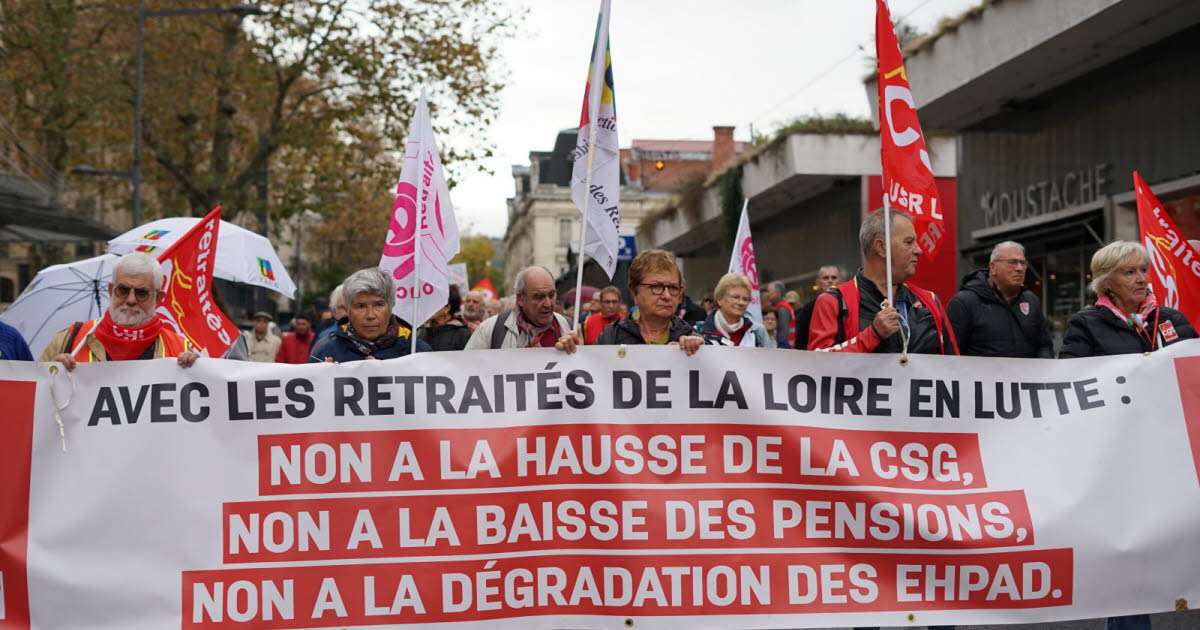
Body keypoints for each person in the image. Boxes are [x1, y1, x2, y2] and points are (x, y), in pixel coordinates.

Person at [809, 210, 958, 355]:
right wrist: (873, 335)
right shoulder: (833, 301)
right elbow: (818, 365)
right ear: (881, 247)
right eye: (909, 242)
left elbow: (955, 368)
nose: (919, 250)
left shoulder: (930, 301)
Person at [39, 252, 198, 369]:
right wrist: (51, 374)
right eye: (122, 290)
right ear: (110, 290)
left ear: (158, 298)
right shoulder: (69, 340)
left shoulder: (181, 349)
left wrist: (197, 370)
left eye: (141, 293)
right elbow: (37, 400)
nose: (130, 300)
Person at [1060, 240, 1194, 359]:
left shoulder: (1172, 318)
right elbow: (1072, 374)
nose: (1142, 279)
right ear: (1106, 282)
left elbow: (1193, 366)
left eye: (1143, 270)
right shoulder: (1085, 323)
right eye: (1130, 272)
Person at [947, 241, 1052, 358]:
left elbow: (1044, 345)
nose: (1019, 268)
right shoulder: (964, 302)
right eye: (1012, 262)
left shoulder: (1031, 300)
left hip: (1027, 376)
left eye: (1023, 263)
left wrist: (1042, 370)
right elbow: (951, 354)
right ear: (993, 267)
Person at [589, 249, 703, 354]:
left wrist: (697, 354)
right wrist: (575, 352)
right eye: (656, 287)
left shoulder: (693, 339)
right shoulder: (611, 337)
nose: (667, 296)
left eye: (673, 288)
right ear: (634, 292)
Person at [309, 268, 430, 362]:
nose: (370, 315)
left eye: (378, 305)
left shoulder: (417, 350)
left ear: (391, 306)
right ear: (348, 310)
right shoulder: (324, 351)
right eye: (360, 306)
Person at [466, 266, 573, 349]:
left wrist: (579, 352)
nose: (548, 304)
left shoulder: (568, 327)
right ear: (521, 299)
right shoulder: (490, 330)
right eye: (538, 297)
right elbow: (468, 371)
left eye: (551, 295)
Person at [692, 273, 771, 347]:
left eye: (745, 299)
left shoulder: (756, 334)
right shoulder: (698, 331)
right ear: (719, 299)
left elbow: (766, 361)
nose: (741, 303)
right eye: (735, 297)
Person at [793, 265, 841, 350]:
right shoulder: (806, 310)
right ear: (818, 282)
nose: (830, 281)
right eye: (825, 278)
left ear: (840, 281)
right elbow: (801, 341)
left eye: (834, 277)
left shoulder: (848, 305)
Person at [420, 286, 471, 351]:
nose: (429, 306)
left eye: (434, 303)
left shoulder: (462, 334)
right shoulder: (421, 331)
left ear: (447, 308)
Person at [764, 280, 795, 349]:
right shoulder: (782, 306)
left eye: (769, 291)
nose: (767, 294)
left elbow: (783, 332)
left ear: (776, 293)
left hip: (785, 348)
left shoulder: (782, 309)